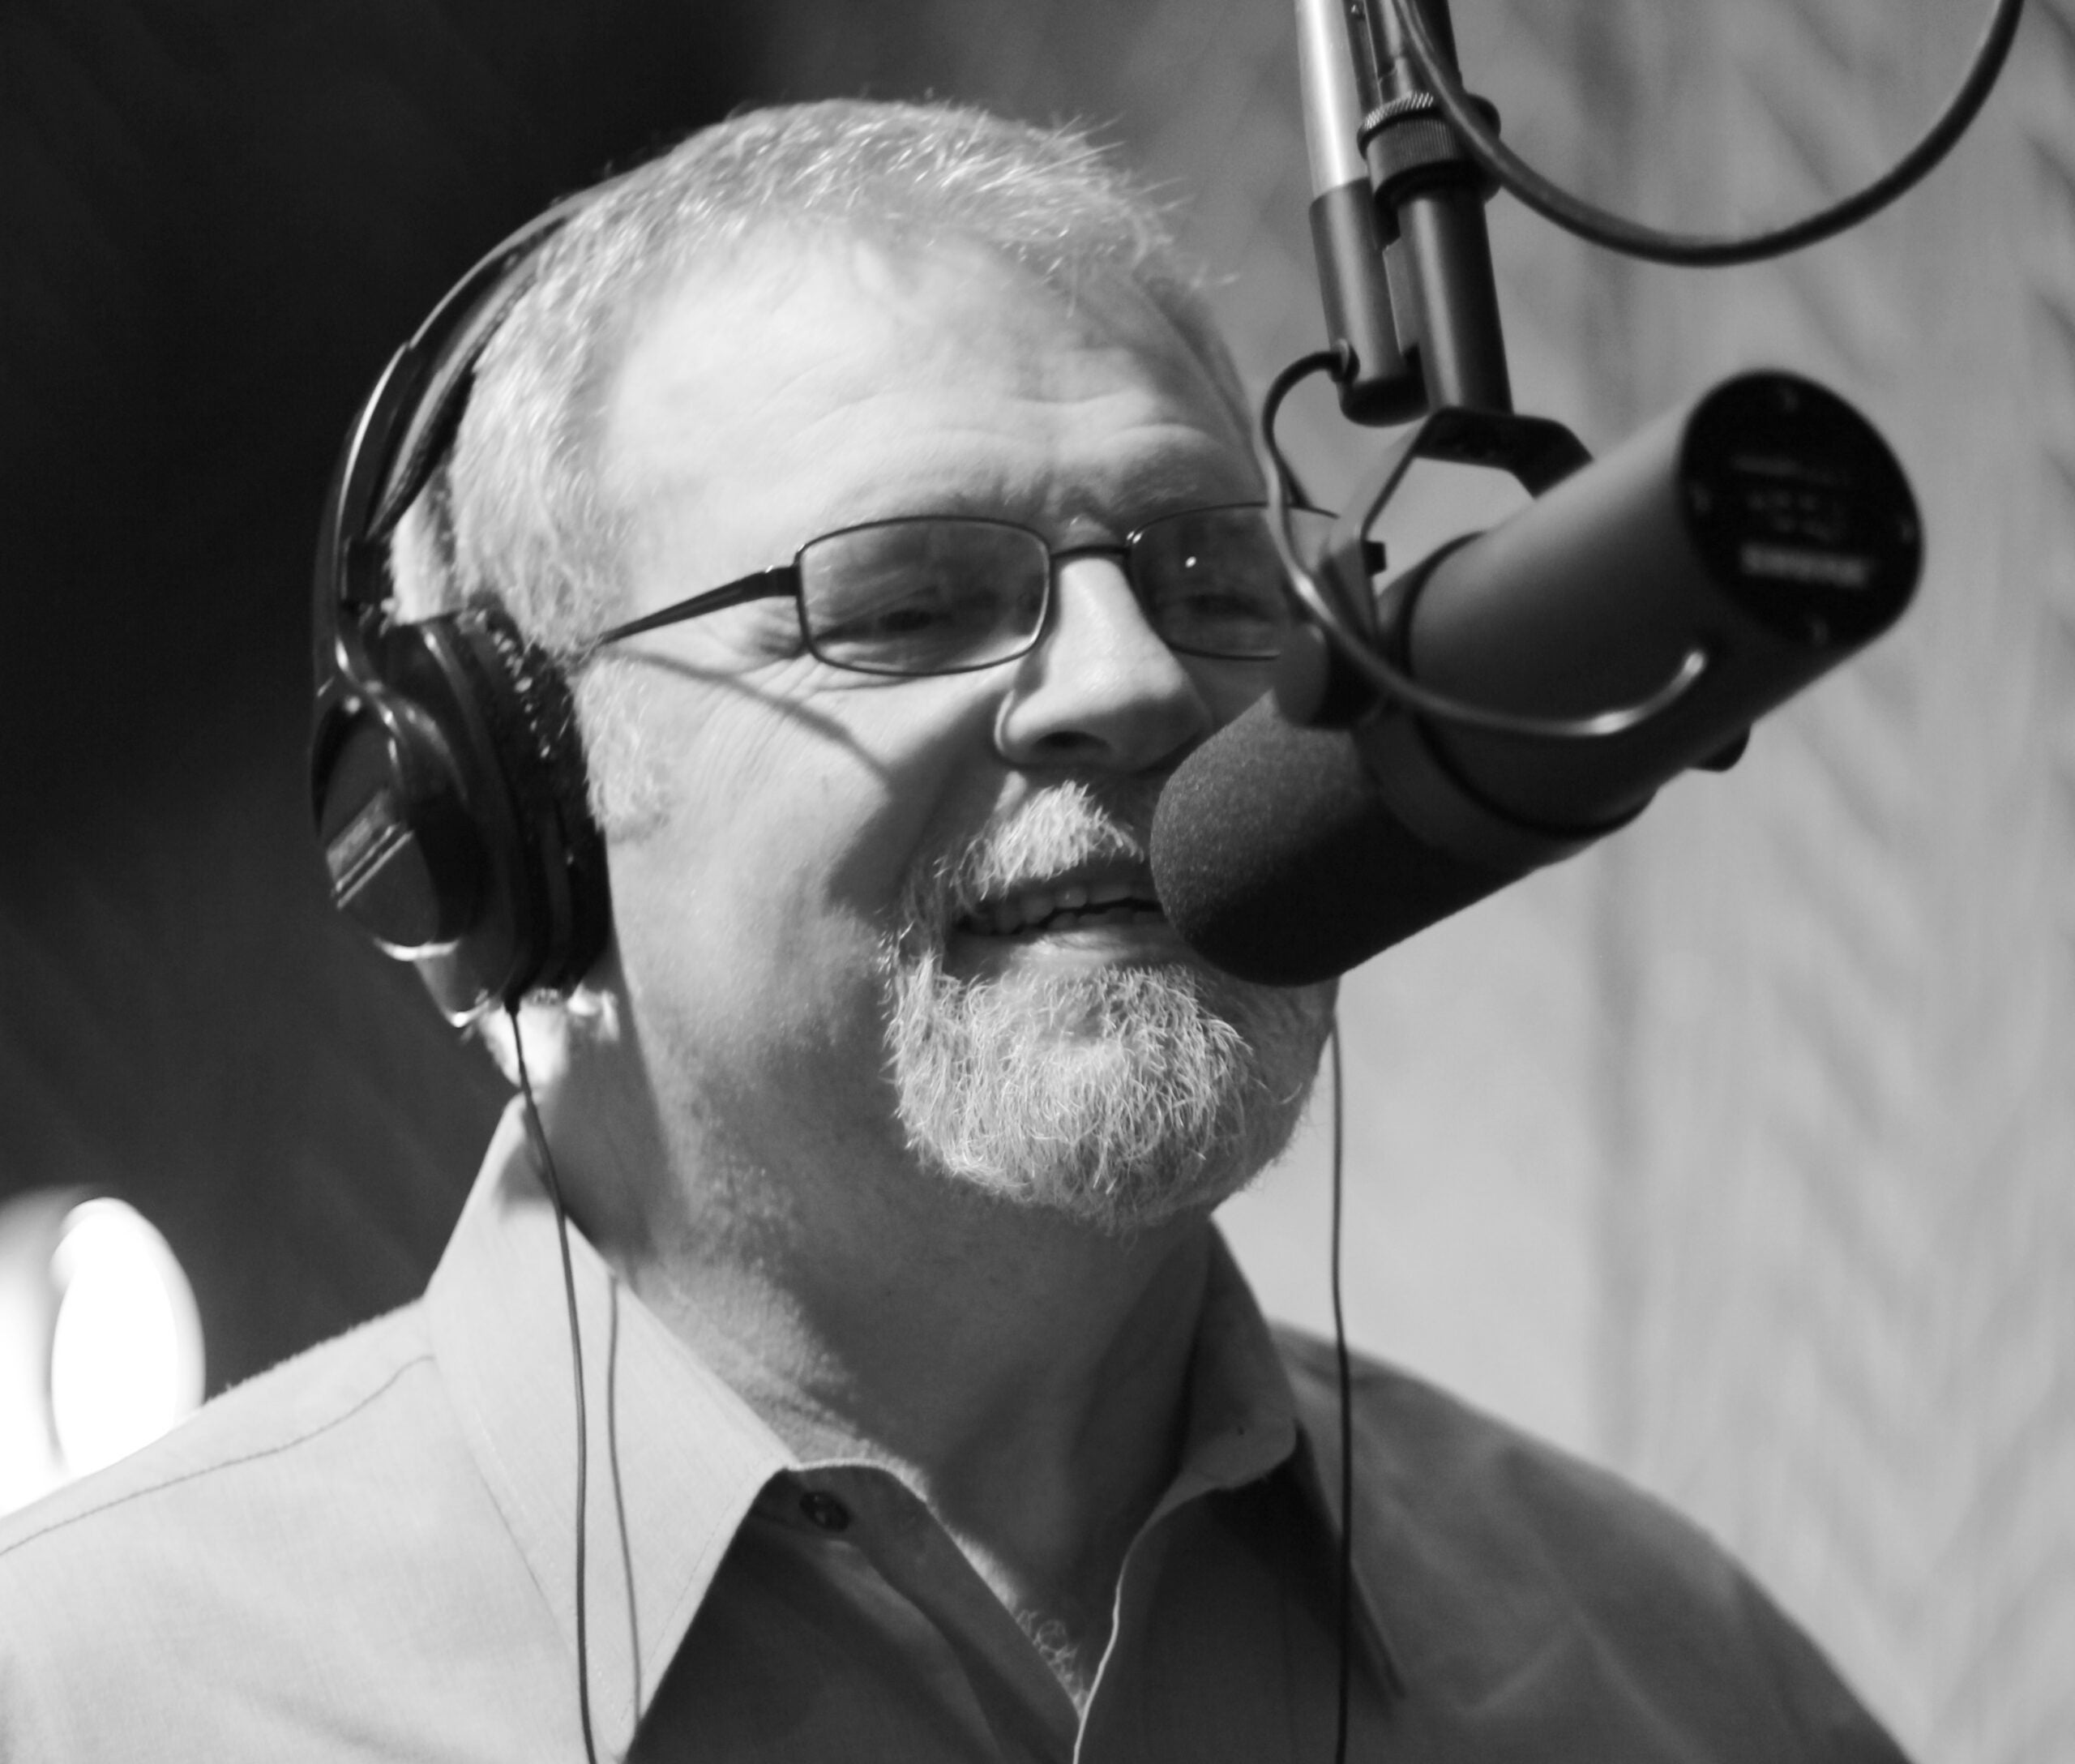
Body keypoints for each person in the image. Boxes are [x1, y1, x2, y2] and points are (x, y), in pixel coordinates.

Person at [0, 100, 1906, 1762]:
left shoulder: (1679, 1674)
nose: (1129, 680)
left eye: (1209, 573)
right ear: (510, 805)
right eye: (906, 599)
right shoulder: (89, 1692)